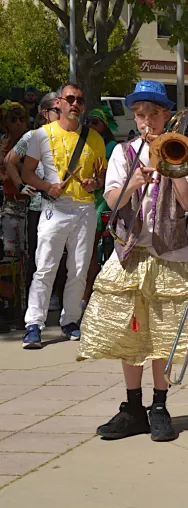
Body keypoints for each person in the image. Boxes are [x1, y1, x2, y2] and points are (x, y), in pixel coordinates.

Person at [77, 80, 188, 442]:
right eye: (140, 114)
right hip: (130, 252)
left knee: (164, 333)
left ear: (165, 116)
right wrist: (134, 181)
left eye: (153, 114)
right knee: (129, 331)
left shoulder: (182, 151)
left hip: (168, 253)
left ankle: (159, 406)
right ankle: (133, 408)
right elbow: (112, 200)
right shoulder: (124, 152)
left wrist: (171, 167)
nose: (146, 121)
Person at [20, 82, 107, 349]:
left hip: (84, 208)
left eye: (80, 100)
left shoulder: (94, 138)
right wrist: (47, 186)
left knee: (79, 269)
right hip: (54, 208)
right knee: (45, 267)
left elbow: (102, 175)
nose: (75, 104)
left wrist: (95, 182)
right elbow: (26, 173)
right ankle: (34, 324)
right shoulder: (42, 135)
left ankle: (70, 320)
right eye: (70, 99)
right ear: (58, 102)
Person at [7, 93, 59, 300]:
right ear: (45, 113)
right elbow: (10, 160)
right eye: (57, 110)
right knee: (38, 255)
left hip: (66, 205)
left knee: (61, 255)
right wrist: (21, 185)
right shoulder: (33, 136)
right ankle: (33, 300)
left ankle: (56, 296)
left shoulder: (71, 136)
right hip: (39, 205)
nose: (62, 113)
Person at [85, 105, 119, 303]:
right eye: (88, 121)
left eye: (95, 122)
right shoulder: (84, 142)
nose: (90, 125)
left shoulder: (112, 147)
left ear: (105, 126)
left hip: (103, 199)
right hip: (85, 197)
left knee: (91, 246)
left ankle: (89, 293)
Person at [1, 103, 29, 260]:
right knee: (9, 252)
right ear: (5, 122)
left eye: (22, 119)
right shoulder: (2, 142)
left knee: (27, 251)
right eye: (13, 119)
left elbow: (33, 172)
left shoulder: (31, 142)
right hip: (9, 202)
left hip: (28, 204)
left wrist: (11, 160)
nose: (18, 123)